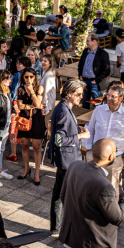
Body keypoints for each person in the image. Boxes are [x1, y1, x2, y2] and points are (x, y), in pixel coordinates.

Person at [48, 79, 89, 235]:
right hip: (68, 162)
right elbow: (59, 140)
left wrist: (76, 128)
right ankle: (68, 228)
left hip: (65, 161)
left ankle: (56, 228)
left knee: (59, 195)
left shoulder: (63, 107)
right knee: (69, 197)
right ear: (69, 94)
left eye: (82, 94)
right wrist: (80, 135)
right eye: (78, 94)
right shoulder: (64, 110)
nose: (81, 97)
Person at [83, 85, 124, 194]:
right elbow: (90, 129)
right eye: (108, 95)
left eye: (113, 96)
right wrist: (89, 149)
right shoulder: (98, 110)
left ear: (121, 98)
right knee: (91, 187)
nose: (109, 98)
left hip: (115, 160)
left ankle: (111, 211)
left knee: (112, 191)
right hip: (95, 156)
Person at [16, 68, 46, 185]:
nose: (29, 79)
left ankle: (37, 173)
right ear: (23, 77)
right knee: (24, 145)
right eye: (26, 77)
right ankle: (26, 169)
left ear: (35, 77)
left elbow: (39, 103)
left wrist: (31, 92)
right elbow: (20, 106)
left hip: (37, 120)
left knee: (36, 146)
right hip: (24, 119)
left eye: (31, 77)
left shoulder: (39, 88)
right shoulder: (20, 89)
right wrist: (33, 106)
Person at [77, 33, 110, 108]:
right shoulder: (85, 51)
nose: (86, 42)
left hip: (94, 83)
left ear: (94, 41)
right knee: (84, 102)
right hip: (84, 81)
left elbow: (107, 70)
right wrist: (80, 75)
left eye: (88, 41)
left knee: (97, 104)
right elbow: (80, 64)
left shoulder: (103, 54)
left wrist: (96, 80)